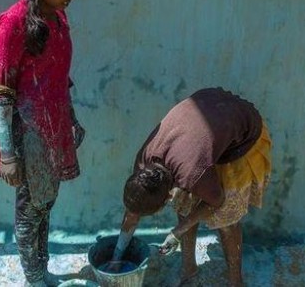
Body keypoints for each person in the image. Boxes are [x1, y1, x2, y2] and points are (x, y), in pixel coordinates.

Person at [0, 0, 86, 286]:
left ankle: (41, 268)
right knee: (31, 208)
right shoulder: (13, 23)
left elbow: (58, 77)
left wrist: (71, 118)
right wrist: (9, 154)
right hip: (28, 132)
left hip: (55, 126)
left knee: (46, 204)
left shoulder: (58, 19)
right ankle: (33, 277)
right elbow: (2, 93)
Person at [111, 87, 272, 286]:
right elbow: (133, 212)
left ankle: (235, 281)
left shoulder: (191, 173)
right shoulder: (143, 164)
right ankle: (188, 269)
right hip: (206, 121)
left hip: (242, 131)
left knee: (226, 219)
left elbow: (216, 201)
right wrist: (116, 258)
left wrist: (176, 232)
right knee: (184, 205)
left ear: (166, 199)